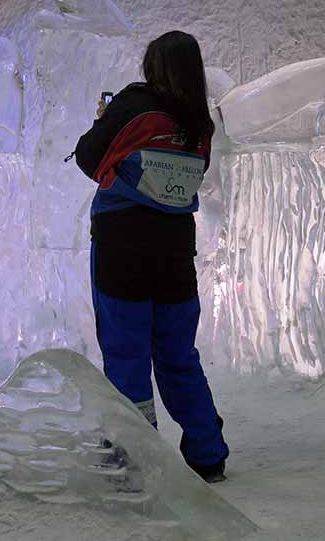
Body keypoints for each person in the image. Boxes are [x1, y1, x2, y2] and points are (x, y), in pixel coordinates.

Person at [74, 30, 229, 483]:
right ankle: (208, 453)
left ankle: (131, 460)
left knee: (126, 354)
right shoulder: (199, 124)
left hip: (123, 245)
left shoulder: (134, 104)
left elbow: (88, 157)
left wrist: (105, 118)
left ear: (152, 68)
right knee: (178, 354)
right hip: (176, 250)